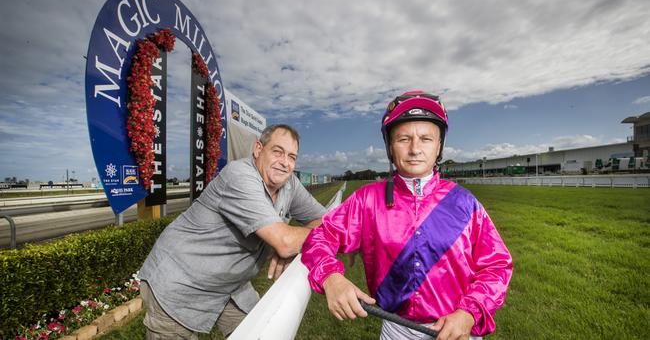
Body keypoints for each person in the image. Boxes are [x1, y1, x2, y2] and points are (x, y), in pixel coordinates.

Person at [301, 91, 513, 340]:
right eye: (404, 139)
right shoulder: (366, 199)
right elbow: (319, 238)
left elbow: (497, 265)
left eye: (425, 139)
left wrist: (469, 313)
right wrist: (331, 278)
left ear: (439, 146)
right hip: (397, 330)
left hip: (458, 330)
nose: (415, 149)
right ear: (390, 146)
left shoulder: (465, 203)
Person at [139, 124, 327, 339]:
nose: (285, 162)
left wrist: (295, 245)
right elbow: (284, 241)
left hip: (229, 285)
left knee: (262, 331)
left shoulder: (289, 184)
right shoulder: (239, 175)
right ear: (258, 149)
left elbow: (324, 221)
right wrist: (287, 244)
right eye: (278, 152)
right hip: (180, 281)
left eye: (292, 157)